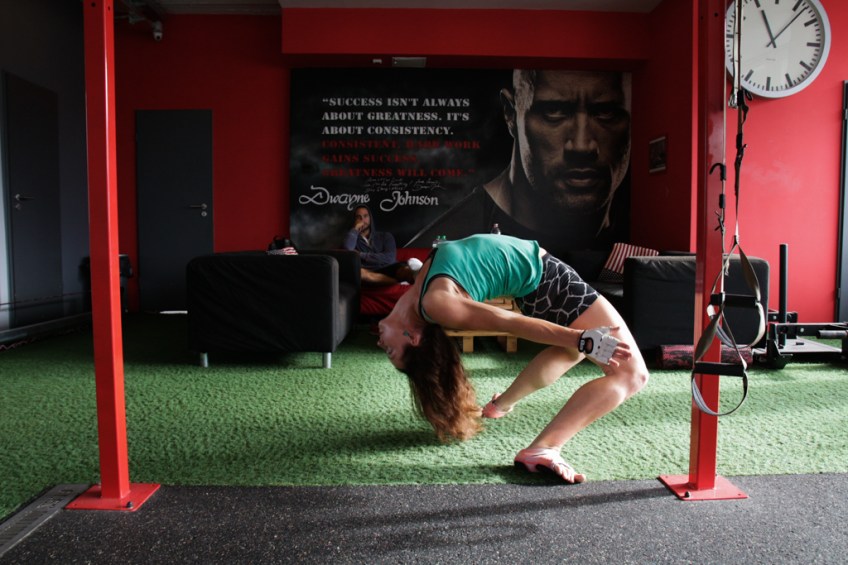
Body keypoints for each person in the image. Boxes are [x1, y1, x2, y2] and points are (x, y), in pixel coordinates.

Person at [377, 234, 648, 484]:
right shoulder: (436, 303)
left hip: (538, 281)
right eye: (390, 351)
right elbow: (507, 321)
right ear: (413, 338)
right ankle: (545, 448)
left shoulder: (420, 288)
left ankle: (501, 404)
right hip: (549, 281)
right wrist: (581, 338)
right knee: (631, 375)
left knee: (570, 352)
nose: (380, 344)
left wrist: (575, 342)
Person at [406, 70, 631, 257]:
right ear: (510, 114)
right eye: (554, 111)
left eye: (606, 112)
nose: (582, 146)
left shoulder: (631, 229)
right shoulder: (450, 238)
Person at [343, 205, 421, 285]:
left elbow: (389, 258)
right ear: (355, 220)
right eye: (358, 217)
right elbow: (348, 249)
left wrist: (360, 255)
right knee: (359, 272)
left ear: (370, 218)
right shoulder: (352, 237)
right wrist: (355, 229)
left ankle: (415, 273)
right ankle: (397, 283)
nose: (362, 220)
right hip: (369, 271)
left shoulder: (385, 236)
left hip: (389, 268)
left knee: (406, 270)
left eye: (365, 216)